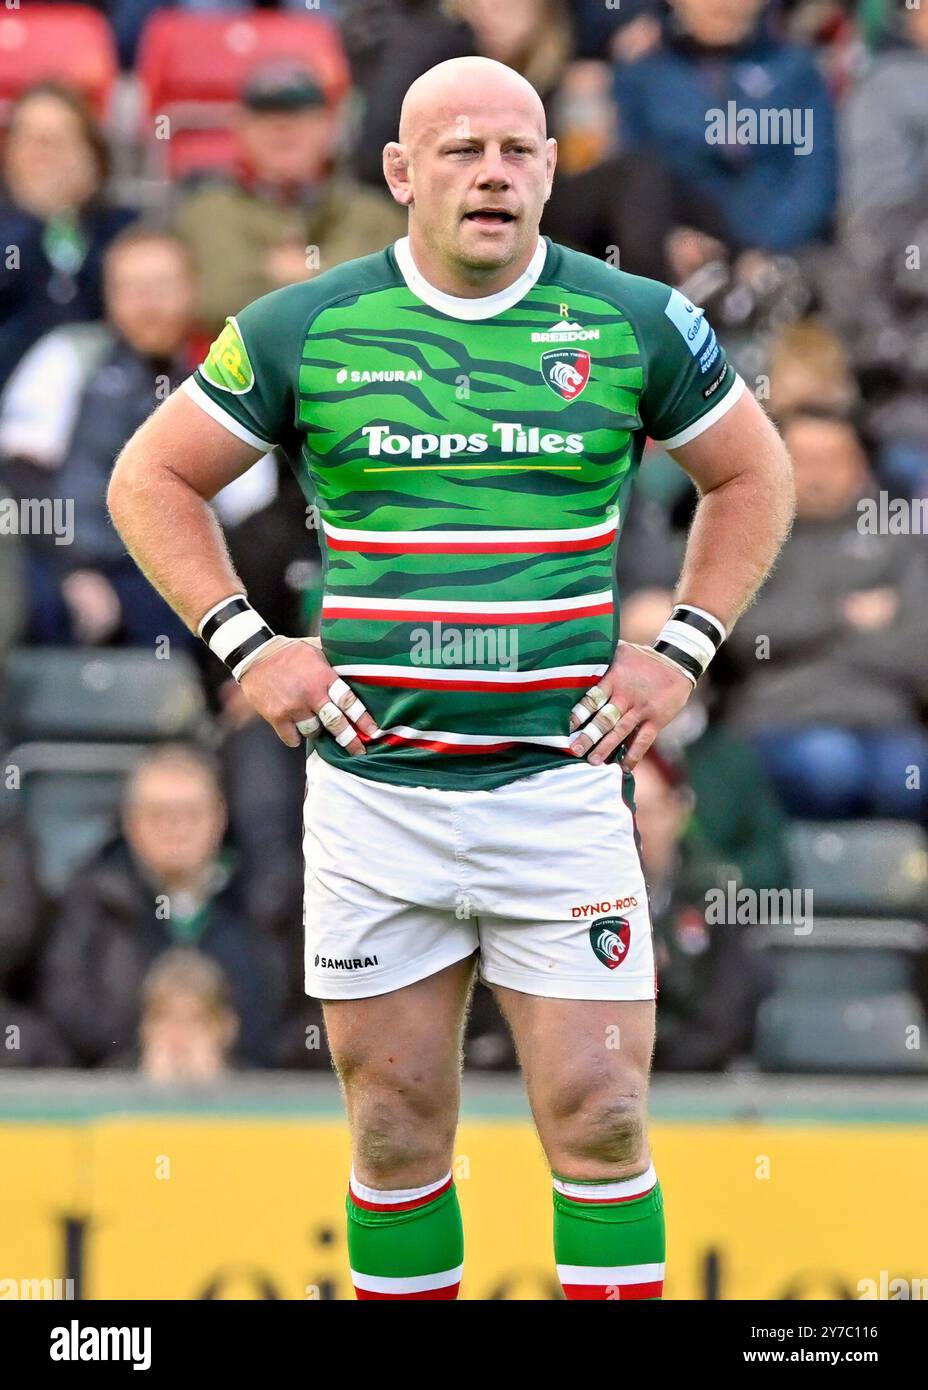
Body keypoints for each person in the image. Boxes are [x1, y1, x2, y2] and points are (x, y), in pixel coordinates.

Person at [108, 56, 794, 1300]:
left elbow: (756, 475)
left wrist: (682, 649)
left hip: (559, 785)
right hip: (377, 795)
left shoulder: (632, 319)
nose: (492, 172)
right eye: (463, 148)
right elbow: (148, 479)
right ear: (399, 172)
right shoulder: (304, 324)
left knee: (597, 1115)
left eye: (519, 150)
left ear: (547, 169)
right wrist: (251, 648)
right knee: (394, 1130)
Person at [0, 228, 202, 649]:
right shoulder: (68, 355)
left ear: (192, 290)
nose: (147, 303)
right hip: (56, 560)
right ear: (108, 296)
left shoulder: (217, 378)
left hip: (168, 574)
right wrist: (71, 571)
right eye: (130, 288)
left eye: (161, 286)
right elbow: (21, 478)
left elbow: (243, 513)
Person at [725, 408, 928, 820]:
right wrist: (843, 618)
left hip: (886, 719)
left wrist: (801, 642)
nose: (817, 475)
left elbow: (916, 650)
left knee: (910, 775)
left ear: (860, 467)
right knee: (831, 767)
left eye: (832, 459)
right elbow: (743, 638)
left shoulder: (898, 541)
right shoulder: (749, 537)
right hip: (781, 720)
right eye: (804, 459)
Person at [39, 745, 285, 1067]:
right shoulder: (92, 900)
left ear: (219, 816)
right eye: (159, 814)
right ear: (131, 822)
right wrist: (140, 1055)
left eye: (191, 813)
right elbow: (65, 1005)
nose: (176, 829)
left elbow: (290, 1007)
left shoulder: (263, 897)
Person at [172, 59, 407, 335]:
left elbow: (391, 307)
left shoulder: (378, 215)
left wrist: (284, 279)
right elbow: (215, 304)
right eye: (265, 115)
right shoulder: (205, 214)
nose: (282, 127)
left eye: (299, 113)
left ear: (329, 124)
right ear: (240, 128)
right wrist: (324, 276)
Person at [613, 0, 837, 259]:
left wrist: (763, 251)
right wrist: (670, 240)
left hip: (788, 256)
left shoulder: (797, 71)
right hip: (682, 260)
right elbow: (632, 183)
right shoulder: (642, 78)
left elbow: (815, 179)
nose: (725, 5)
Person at [634, 750, 773, 1072]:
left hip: (697, 1083)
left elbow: (729, 1007)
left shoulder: (717, 892)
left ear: (677, 812)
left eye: (647, 812)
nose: (635, 828)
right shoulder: (583, 899)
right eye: (623, 811)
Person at [0, 82, 133, 391]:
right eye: (31, 140)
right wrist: (34, 221)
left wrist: (69, 215)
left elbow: (121, 310)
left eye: (56, 141)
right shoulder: (12, 233)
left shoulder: (118, 228)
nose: (41, 155)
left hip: (105, 402)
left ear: (91, 155)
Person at [135, 949, 239, 1085]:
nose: (179, 1035)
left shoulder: (259, 1096)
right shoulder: (108, 1092)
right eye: (164, 1019)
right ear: (145, 1028)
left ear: (226, 1028)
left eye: (195, 1020)